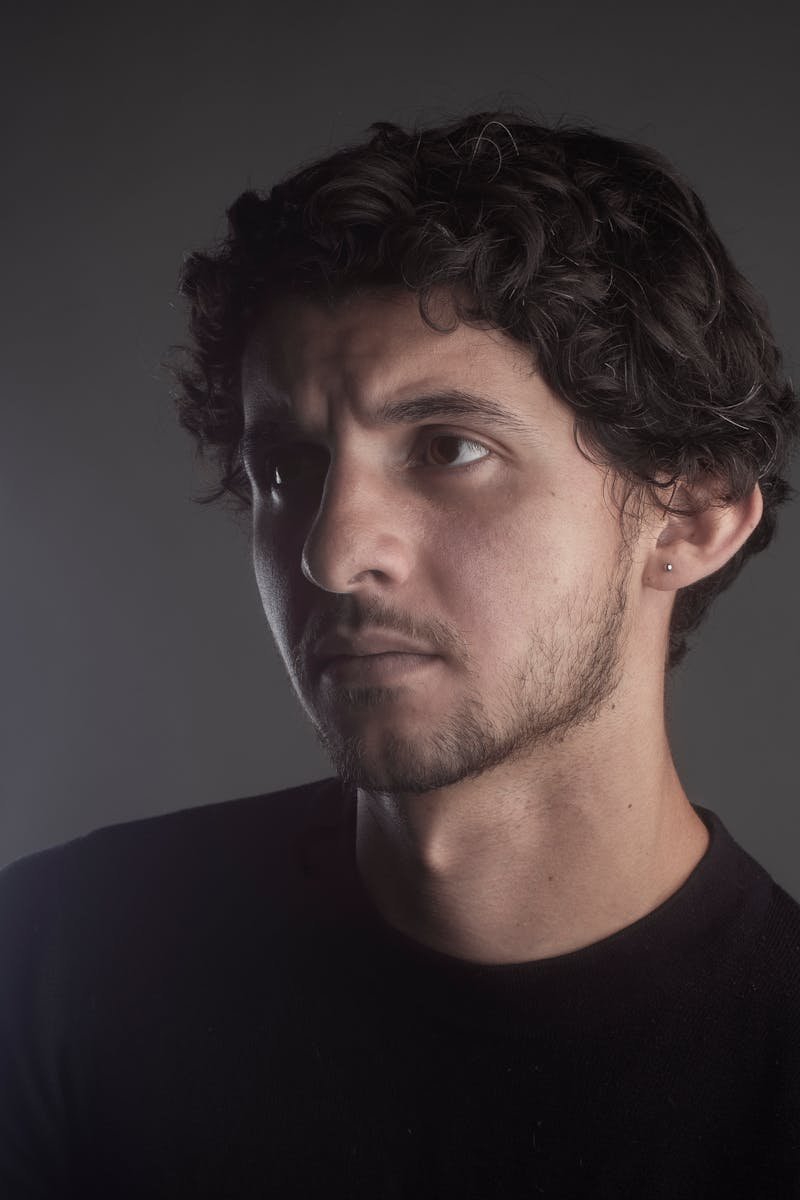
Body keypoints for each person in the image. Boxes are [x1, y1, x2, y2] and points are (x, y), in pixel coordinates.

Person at [2, 109, 799, 1198]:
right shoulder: (56, 961)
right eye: (287, 467)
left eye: (448, 448)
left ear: (691, 518)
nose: (330, 552)